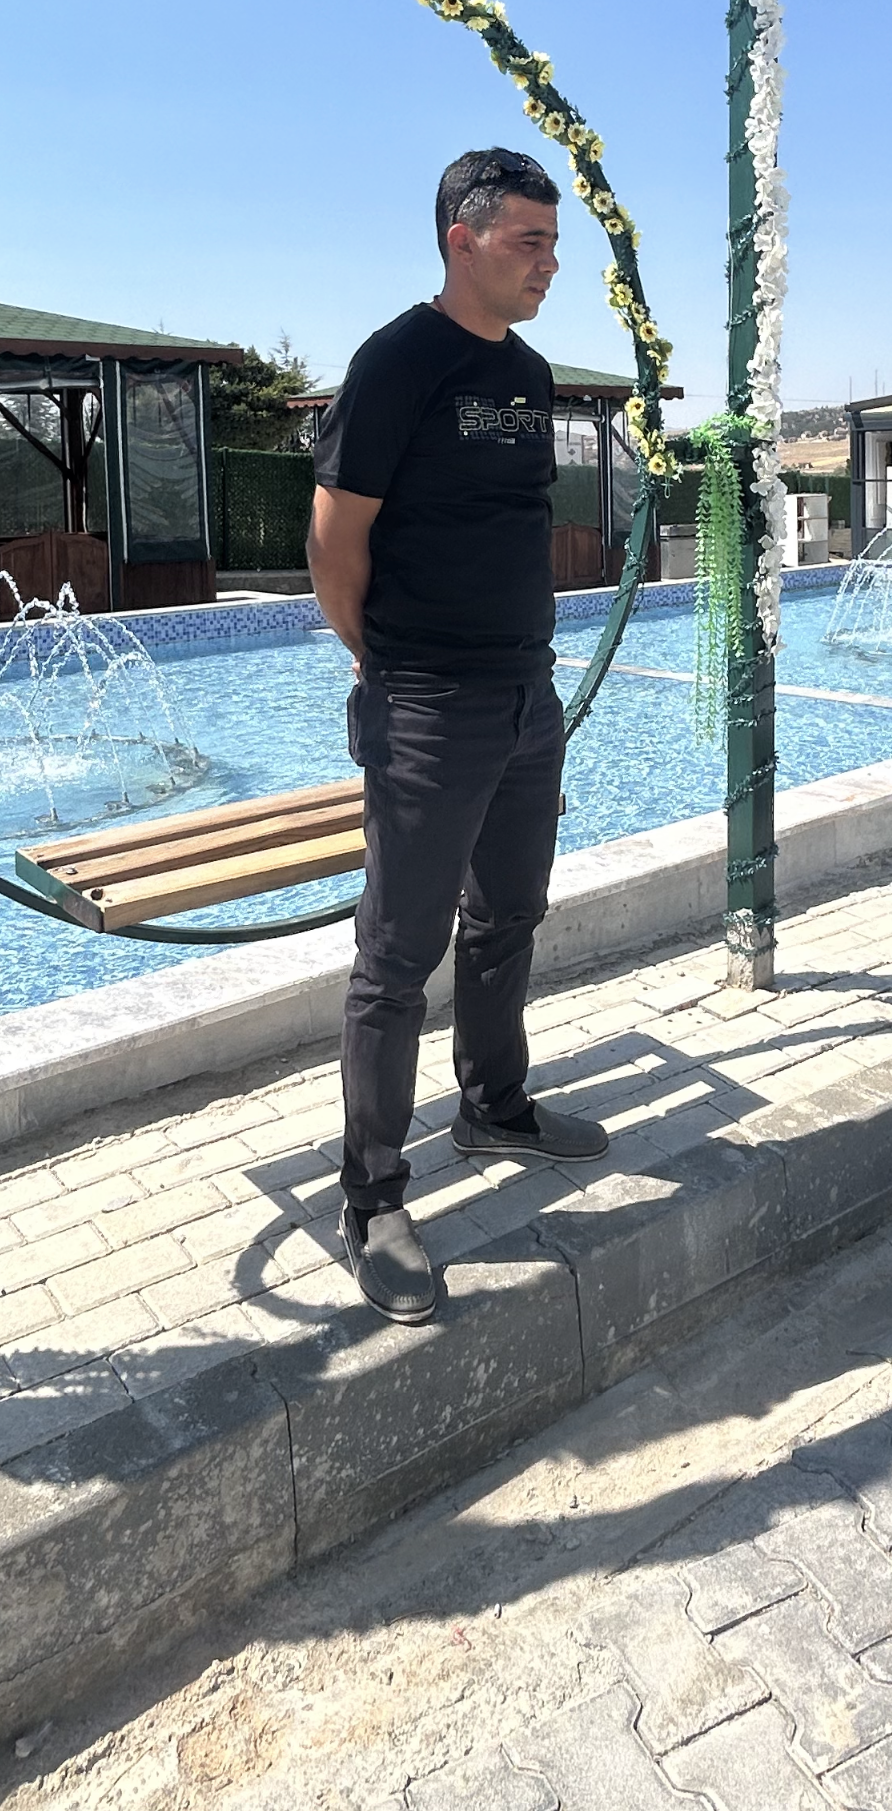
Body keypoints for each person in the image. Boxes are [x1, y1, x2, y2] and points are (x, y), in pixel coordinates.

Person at [307, 147, 608, 1326]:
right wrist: (387, 665)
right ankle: (373, 1197)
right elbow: (336, 541)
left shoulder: (527, 374)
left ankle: (494, 1107)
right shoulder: (397, 362)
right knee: (396, 959)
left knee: (509, 915)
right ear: (461, 240)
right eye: (529, 242)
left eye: (553, 244)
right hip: (430, 703)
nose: (549, 265)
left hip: (527, 694)